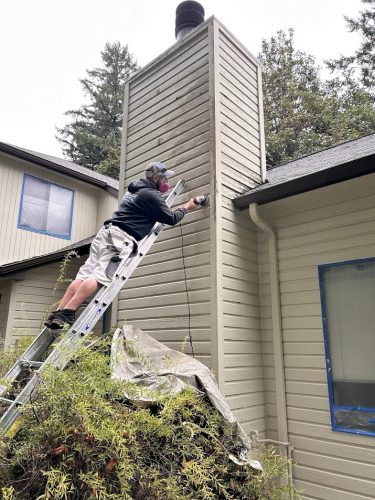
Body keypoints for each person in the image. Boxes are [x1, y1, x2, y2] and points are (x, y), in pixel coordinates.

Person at [44, 162, 198, 329]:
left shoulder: (133, 190)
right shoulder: (151, 195)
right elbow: (172, 218)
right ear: (156, 178)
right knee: (99, 277)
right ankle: (67, 312)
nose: (166, 182)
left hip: (105, 234)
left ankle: (57, 313)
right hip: (120, 239)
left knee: (83, 276)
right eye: (164, 178)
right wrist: (188, 206)